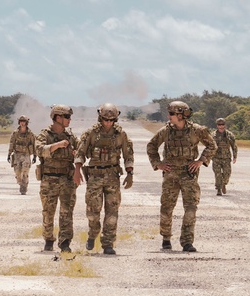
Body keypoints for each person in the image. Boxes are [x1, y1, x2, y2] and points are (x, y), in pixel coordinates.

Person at [146, 100, 217, 252]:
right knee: (166, 208)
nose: (169, 116)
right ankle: (166, 238)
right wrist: (158, 164)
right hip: (170, 175)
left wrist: (200, 161)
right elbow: (151, 146)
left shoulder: (197, 130)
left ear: (181, 115)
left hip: (189, 175)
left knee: (191, 208)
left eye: (171, 114)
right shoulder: (165, 131)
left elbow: (212, 145)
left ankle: (187, 242)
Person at [74, 103, 134, 255]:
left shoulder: (121, 135)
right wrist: (77, 170)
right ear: (100, 118)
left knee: (112, 212)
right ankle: (93, 234)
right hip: (94, 176)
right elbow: (80, 152)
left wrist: (130, 173)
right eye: (105, 119)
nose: (108, 123)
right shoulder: (91, 133)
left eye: (111, 120)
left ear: (115, 119)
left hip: (113, 177)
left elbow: (128, 154)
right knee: (93, 211)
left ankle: (108, 243)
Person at [35, 105, 79, 252]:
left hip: (67, 179)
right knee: (48, 212)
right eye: (66, 117)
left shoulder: (71, 136)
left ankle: (65, 243)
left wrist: (77, 154)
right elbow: (39, 150)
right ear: (57, 118)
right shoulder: (45, 134)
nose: (69, 120)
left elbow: (81, 151)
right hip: (49, 179)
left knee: (67, 213)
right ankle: (48, 239)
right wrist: (57, 145)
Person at [7, 115, 37, 194]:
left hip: (26, 154)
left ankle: (24, 187)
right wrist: (9, 154)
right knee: (18, 172)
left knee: (25, 171)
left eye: (24, 122)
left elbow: (34, 144)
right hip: (17, 154)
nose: (22, 123)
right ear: (19, 122)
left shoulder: (30, 134)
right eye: (21, 121)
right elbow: (11, 143)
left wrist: (34, 156)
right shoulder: (15, 133)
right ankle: (21, 183)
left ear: (26, 123)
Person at [210, 117, 237, 196]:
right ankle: (218, 189)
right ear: (217, 125)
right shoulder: (213, 135)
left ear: (225, 125)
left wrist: (235, 156)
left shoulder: (230, 135)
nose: (221, 126)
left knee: (227, 174)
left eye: (222, 124)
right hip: (216, 158)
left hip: (226, 157)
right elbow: (209, 146)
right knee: (217, 174)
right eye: (219, 125)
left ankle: (223, 184)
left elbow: (234, 146)